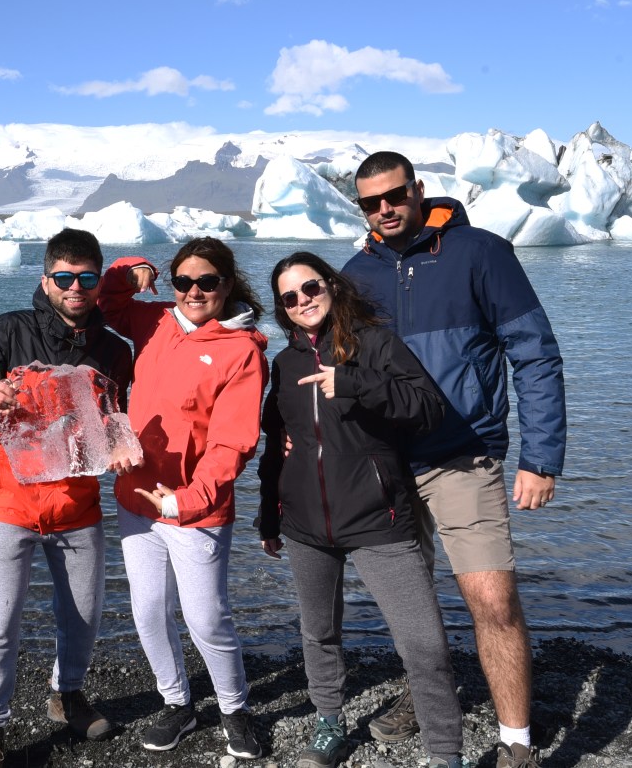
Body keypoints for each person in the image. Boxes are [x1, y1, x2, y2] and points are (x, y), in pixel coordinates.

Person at [340, 151, 566, 768]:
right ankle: (431, 695)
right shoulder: (353, 275)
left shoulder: (480, 253)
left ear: (418, 191)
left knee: (492, 600)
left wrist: (540, 457)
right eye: (369, 202)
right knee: (411, 605)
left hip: (463, 459)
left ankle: (515, 743)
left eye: (394, 195)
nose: (384, 209)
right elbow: (333, 374)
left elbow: (536, 354)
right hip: (384, 465)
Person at [255, 252, 464, 768]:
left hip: (379, 521)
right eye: (289, 297)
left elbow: (428, 408)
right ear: (282, 310)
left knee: (425, 645)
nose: (303, 301)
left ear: (330, 285)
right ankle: (330, 723)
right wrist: (268, 514)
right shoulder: (283, 364)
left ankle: (447, 755)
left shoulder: (374, 342)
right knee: (319, 631)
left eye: (310, 288)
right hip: (305, 524)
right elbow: (277, 443)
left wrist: (350, 381)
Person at [0, 228, 138, 768]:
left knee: (82, 614)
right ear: (46, 280)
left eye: (87, 277)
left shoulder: (113, 350)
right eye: (64, 277)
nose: (76, 287)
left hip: (78, 508)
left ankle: (67, 694)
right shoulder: (6, 332)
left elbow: (121, 418)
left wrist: (124, 444)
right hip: (8, 505)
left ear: (98, 281)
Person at [95, 237, 270, 760]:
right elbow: (109, 301)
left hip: (197, 509)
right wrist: (132, 268)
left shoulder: (241, 351)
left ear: (227, 285)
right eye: (184, 282)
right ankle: (177, 701)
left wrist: (188, 500)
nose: (195, 292)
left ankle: (233, 708)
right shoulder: (154, 323)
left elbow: (233, 440)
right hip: (137, 500)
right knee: (148, 609)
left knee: (205, 616)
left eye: (208, 282)